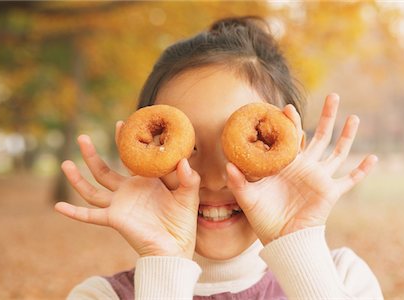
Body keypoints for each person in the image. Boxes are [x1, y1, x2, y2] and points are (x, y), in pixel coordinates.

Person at [55, 16, 383, 299]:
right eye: (188, 148)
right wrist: (165, 262)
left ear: (289, 150)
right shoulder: (98, 296)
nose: (213, 178)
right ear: (144, 159)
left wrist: (299, 246)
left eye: (235, 149)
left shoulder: (344, 280)